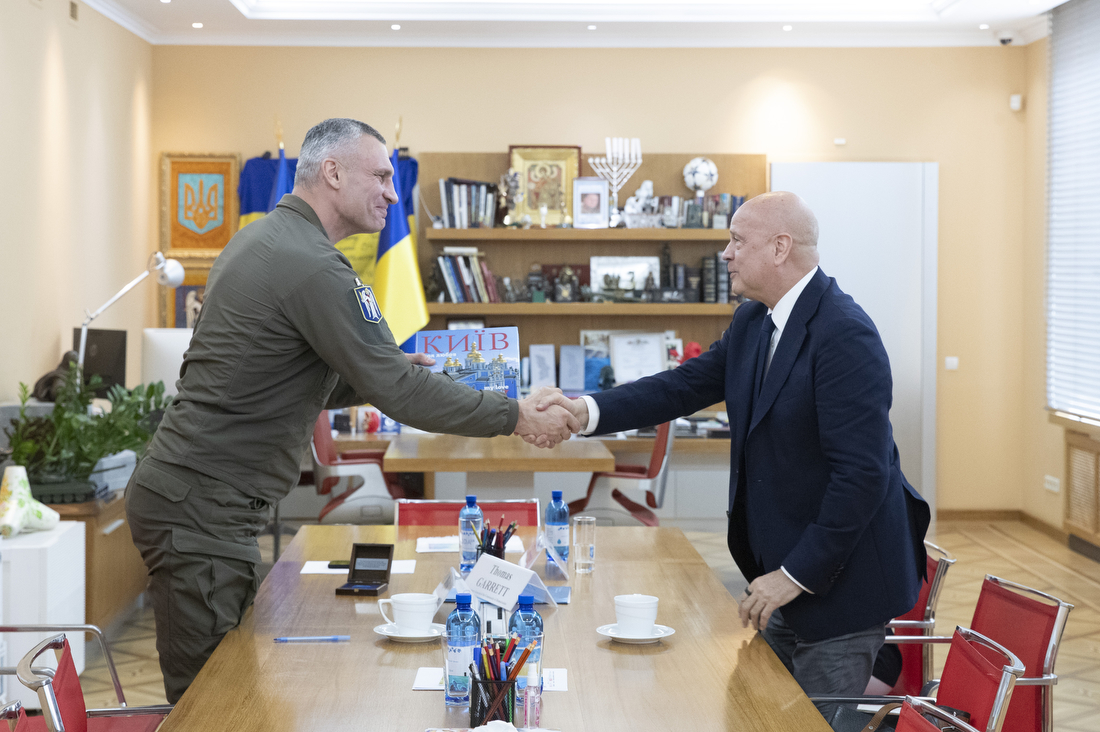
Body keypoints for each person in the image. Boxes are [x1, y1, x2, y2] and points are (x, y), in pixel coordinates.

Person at [125, 118, 578, 703]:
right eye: (382, 177)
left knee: (230, 688)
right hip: (203, 509)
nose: (393, 193)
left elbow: (283, 376)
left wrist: (372, 371)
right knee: (212, 704)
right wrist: (515, 415)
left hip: (195, 500)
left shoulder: (263, 239)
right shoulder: (313, 263)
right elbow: (402, 393)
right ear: (333, 173)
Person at [537, 191, 930, 725]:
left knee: (807, 724)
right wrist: (584, 411)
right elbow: (681, 386)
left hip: (838, 587)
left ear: (779, 248)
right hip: (780, 580)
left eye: (737, 240)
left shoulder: (844, 333)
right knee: (760, 714)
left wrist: (794, 575)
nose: (725, 253)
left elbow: (862, 476)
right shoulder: (753, 323)